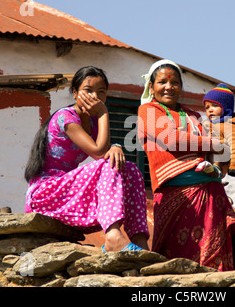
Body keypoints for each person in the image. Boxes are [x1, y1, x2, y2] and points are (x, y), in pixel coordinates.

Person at [24, 66, 149, 252]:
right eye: (88, 90)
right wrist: (104, 113)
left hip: (66, 191)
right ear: (75, 93)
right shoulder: (65, 117)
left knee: (130, 168)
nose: (95, 97)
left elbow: (106, 153)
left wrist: (115, 146)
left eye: (101, 92)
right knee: (109, 163)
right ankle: (113, 235)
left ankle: (140, 241)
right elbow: (99, 154)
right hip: (46, 193)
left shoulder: (93, 123)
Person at [137, 59, 235, 271]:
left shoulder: (192, 115)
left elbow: (217, 149)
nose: (168, 87)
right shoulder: (148, 110)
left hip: (209, 189)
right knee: (175, 257)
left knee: (211, 256)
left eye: (174, 82)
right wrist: (215, 144)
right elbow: (170, 139)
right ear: (151, 86)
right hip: (174, 193)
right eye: (162, 82)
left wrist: (223, 150)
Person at [197, 83, 235, 178]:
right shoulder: (206, 124)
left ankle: (215, 170)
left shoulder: (232, 126)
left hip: (221, 161)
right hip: (205, 161)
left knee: (219, 146)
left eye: (215, 106)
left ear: (225, 108)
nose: (210, 110)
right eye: (207, 107)